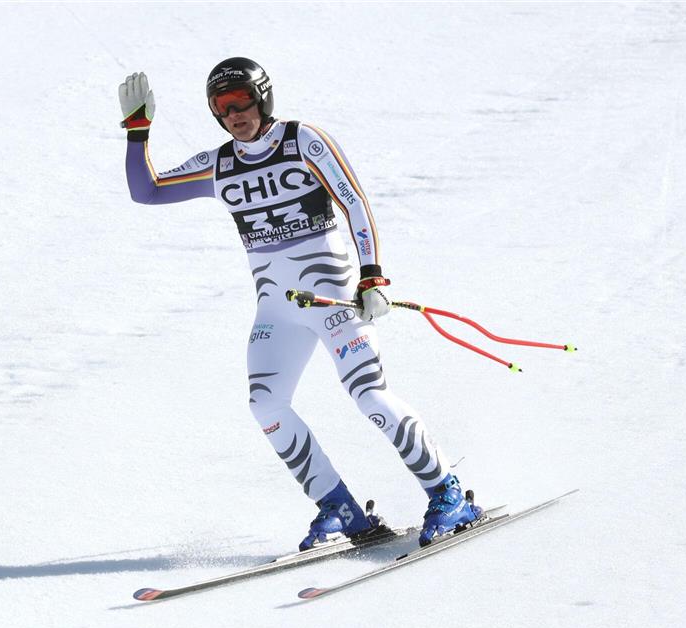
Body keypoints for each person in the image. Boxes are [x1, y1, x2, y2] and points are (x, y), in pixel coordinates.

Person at [118, 57, 482, 549]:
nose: (235, 113)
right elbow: (148, 190)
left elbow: (354, 202)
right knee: (265, 405)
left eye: (242, 100)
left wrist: (373, 275)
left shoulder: (301, 140)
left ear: (262, 97)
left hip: (334, 296)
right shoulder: (220, 164)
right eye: (222, 106)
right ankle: (340, 508)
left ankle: (447, 493)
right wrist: (138, 131)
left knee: (369, 395)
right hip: (277, 309)